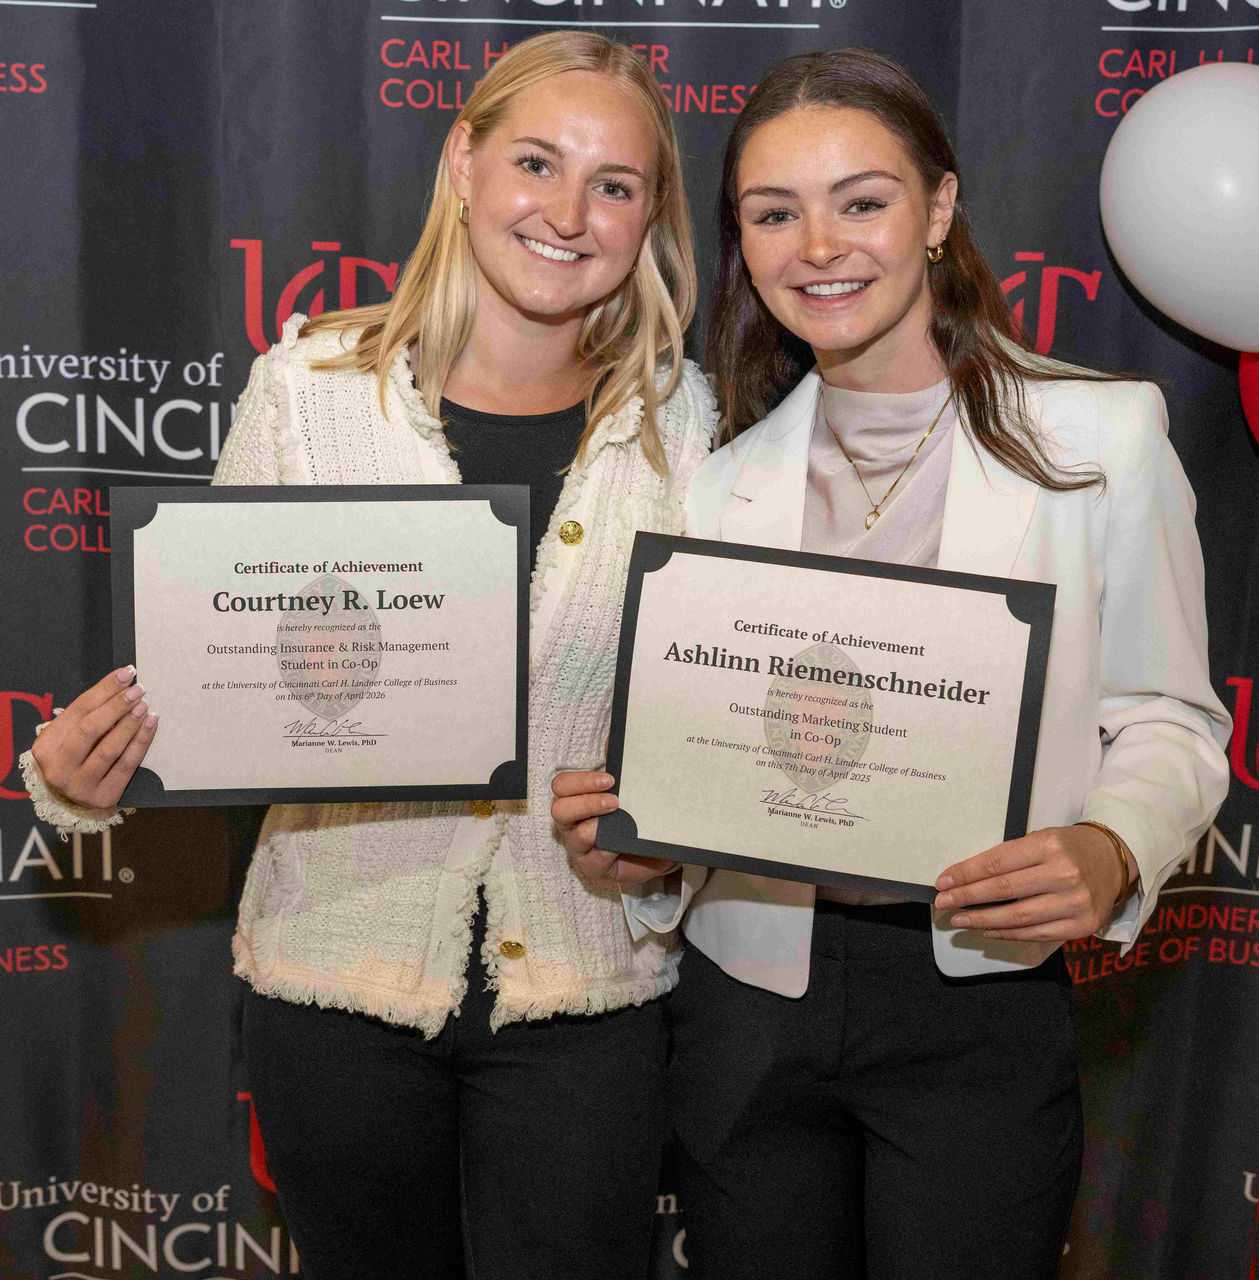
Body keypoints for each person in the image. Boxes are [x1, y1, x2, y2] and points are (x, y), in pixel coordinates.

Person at [21, 32, 715, 1280]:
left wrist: (659, 852)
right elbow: (211, 670)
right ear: (461, 163)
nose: (567, 212)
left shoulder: (687, 425)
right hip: (333, 978)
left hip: (584, 993)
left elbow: (702, 737)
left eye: (614, 184)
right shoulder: (312, 389)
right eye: (535, 163)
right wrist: (85, 773)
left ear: (649, 215)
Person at [552, 48, 1230, 1280]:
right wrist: (641, 839)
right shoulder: (719, 479)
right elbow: (713, 765)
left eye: (859, 200)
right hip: (745, 988)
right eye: (773, 212)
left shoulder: (1097, 436)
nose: (818, 244)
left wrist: (1111, 843)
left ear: (937, 209)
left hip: (972, 989)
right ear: (741, 241)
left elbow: (1172, 721)